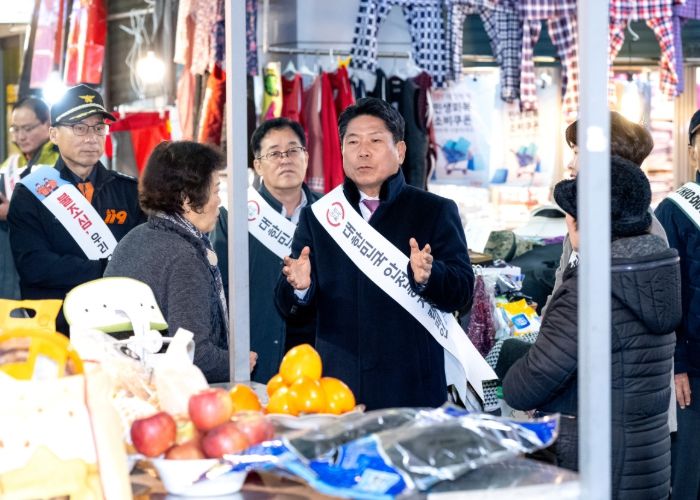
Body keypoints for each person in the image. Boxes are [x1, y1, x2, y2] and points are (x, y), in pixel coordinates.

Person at [499, 156, 681, 499]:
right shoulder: (653, 272)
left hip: (592, 467)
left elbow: (525, 388)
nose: (569, 218)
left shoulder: (591, 288)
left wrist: (509, 364)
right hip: (644, 467)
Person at [275, 97, 474, 410]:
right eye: (353, 142)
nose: (363, 151)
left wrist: (430, 276)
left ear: (401, 151)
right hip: (338, 389)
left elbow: (462, 291)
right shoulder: (320, 216)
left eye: (376, 141)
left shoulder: (434, 210)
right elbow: (288, 305)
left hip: (412, 388)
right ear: (342, 151)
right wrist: (299, 288)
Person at [7, 85, 144, 333]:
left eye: (99, 128)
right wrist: (104, 268)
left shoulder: (129, 192)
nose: (91, 138)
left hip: (121, 327)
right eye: (79, 128)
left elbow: (143, 258)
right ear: (53, 134)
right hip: (58, 329)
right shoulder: (31, 193)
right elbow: (35, 265)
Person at [105, 141, 235, 383]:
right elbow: (195, 355)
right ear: (187, 199)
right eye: (216, 190)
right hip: (164, 390)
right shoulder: (185, 256)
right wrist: (240, 362)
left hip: (123, 381)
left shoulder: (132, 238)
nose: (219, 200)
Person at [210, 117, 320, 385]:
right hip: (255, 356)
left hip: (315, 360)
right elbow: (217, 291)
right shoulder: (231, 217)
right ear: (258, 165)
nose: (285, 159)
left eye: (293, 150)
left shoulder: (328, 216)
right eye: (274, 153)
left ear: (306, 157)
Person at [541, 111, 667, 317]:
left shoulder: (644, 229)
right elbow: (560, 285)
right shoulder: (581, 218)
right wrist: (544, 324)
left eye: (577, 152)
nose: (570, 164)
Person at [655, 110, 700, 500]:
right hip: (694, 371)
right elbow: (665, 296)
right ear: (692, 152)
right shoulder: (673, 210)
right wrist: (677, 365)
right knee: (690, 475)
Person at [0, 97, 59, 299]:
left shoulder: (59, 161)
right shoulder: (9, 165)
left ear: (47, 123)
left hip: (46, 263)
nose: (20, 136)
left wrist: (13, 212)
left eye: (27, 128)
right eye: (15, 129)